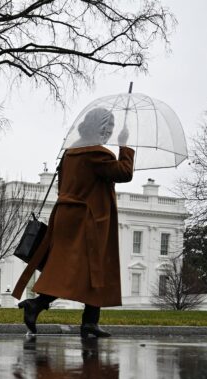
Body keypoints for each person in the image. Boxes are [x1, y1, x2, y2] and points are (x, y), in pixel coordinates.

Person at [13, 107, 135, 338]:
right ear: (96, 127)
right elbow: (124, 172)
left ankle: (87, 321)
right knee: (89, 268)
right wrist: (124, 145)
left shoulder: (70, 152)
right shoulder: (97, 153)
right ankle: (43, 307)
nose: (109, 132)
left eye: (111, 128)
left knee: (73, 269)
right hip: (89, 219)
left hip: (65, 216)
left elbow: (64, 186)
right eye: (106, 127)